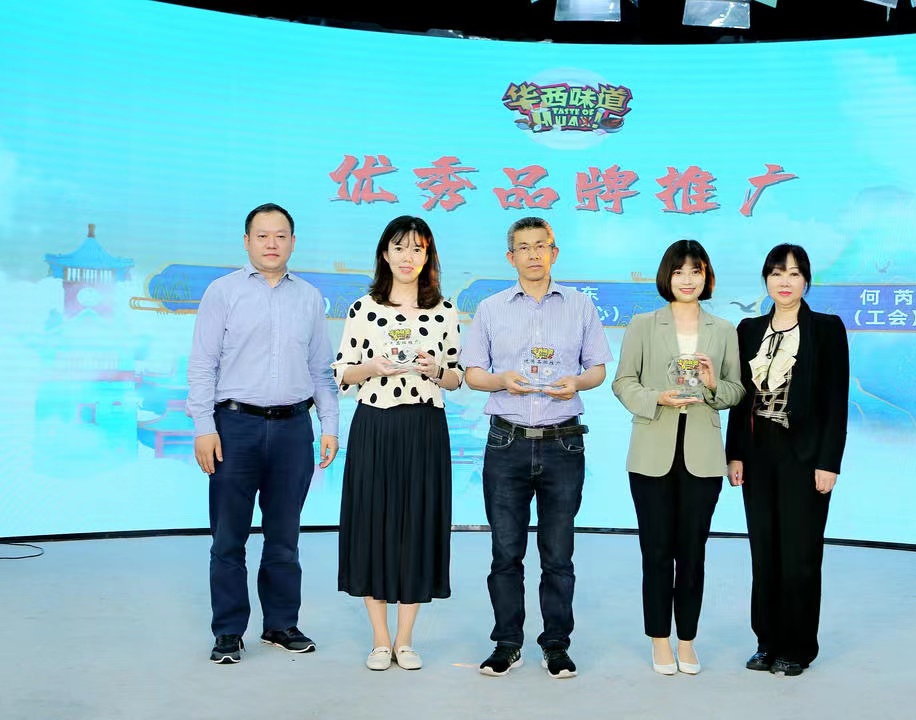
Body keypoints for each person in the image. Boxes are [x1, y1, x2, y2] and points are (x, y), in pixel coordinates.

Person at [187, 202, 340, 664]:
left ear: (292, 242)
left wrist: (329, 425)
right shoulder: (222, 292)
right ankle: (228, 631)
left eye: (280, 235)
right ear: (247, 241)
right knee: (228, 537)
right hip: (235, 427)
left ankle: (280, 624)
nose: (271, 243)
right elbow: (203, 364)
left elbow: (321, 369)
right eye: (262, 235)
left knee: (284, 536)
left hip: (293, 428)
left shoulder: (309, 297)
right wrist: (204, 427)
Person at [460, 217, 612, 679]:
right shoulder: (490, 309)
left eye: (540, 245)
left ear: (554, 252)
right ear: (511, 257)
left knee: (558, 554)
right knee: (505, 552)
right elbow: (472, 374)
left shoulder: (580, 306)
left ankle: (556, 644)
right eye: (523, 247)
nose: (532, 254)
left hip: (563, 440)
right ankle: (507, 643)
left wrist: (576, 383)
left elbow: (598, 369)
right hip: (506, 440)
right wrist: (501, 380)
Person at [333, 216, 462, 672]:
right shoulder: (362, 308)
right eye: (400, 247)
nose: (408, 257)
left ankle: (405, 639)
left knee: (417, 526)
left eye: (417, 249)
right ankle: (380, 639)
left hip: (425, 427)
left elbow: (457, 377)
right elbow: (342, 372)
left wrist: (433, 369)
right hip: (375, 425)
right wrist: (374, 367)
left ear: (428, 257)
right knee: (372, 524)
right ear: (385, 254)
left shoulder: (445, 310)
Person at [612, 239, 744, 676]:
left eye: (696, 271)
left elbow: (736, 391)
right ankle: (659, 640)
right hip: (652, 452)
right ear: (666, 276)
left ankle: (687, 640)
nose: (687, 280)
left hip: (703, 456)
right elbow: (623, 381)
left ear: (707, 277)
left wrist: (712, 384)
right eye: (679, 271)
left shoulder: (723, 330)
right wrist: (656, 398)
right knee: (656, 552)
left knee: (692, 553)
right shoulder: (643, 325)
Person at [725, 243, 849, 677]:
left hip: (806, 457)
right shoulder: (748, 329)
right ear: (766, 279)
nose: (785, 281)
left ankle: (797, 646)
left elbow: (836, 402)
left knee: (800, 554)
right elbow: (740, 399)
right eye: (777, 273)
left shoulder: (826, 329)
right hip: (758, 455)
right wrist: (735, 453)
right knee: (764, 553)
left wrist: (829, 462)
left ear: (806, 281)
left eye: (794, 273)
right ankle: (766, 642)